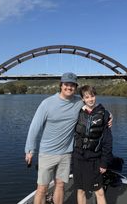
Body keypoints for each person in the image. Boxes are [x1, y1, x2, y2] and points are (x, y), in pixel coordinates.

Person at [25, 73, 112, 204]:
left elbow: (95, 107)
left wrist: (110, 116)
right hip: (47, 153)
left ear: (75, 88)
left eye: (72, 85)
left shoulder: (78, 102)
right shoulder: (47, 103)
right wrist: (30, 149)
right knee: (42, 188)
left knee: (60, 185)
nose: (69, 87)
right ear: (61, 85)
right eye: (66, 84)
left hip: (66, 153)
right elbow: (34, 127)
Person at [72, 85, 113, 204]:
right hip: (78, 158)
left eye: (93, 96)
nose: (91, 99)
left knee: (99, 191)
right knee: (80, 190)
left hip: (94, 159)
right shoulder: (78, 112)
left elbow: (107, 141)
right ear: (82, 99)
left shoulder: (104, 114)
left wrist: (104, 162)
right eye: (87, 97)